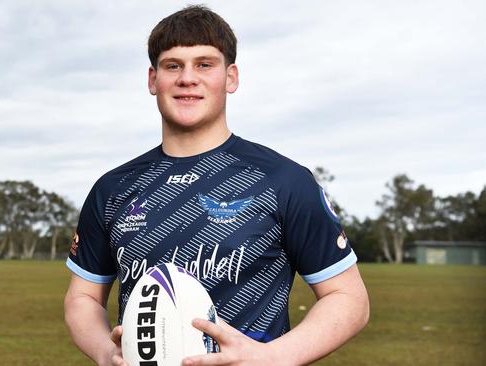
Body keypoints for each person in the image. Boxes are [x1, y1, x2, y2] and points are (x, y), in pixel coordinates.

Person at [64, 5, 369, 366]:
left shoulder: (282, 180)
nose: (187, 78)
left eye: (204, 64)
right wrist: (105, 350)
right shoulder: (114, 188)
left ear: (231, 77)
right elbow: (82, 297)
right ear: (152, 80)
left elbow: (348, 297)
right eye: (172, 65)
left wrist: (271, 358)